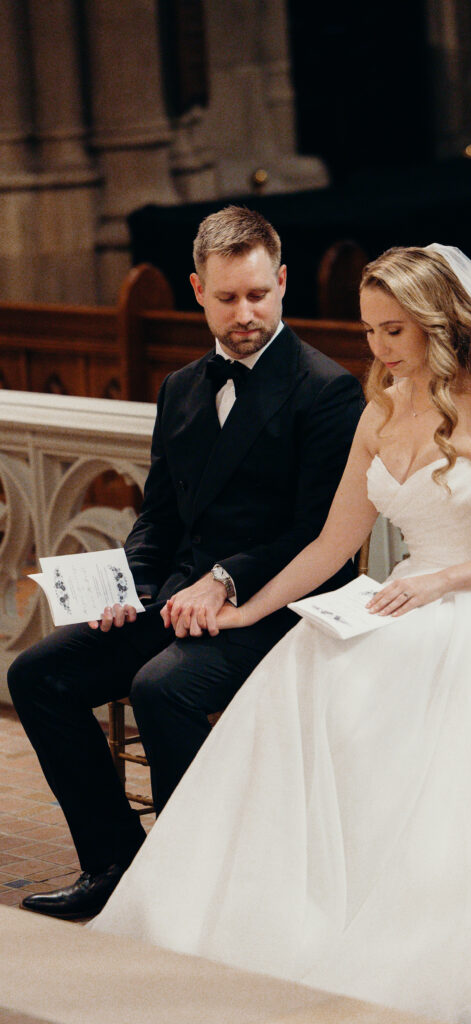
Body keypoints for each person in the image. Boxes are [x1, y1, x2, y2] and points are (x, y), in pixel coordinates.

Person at [91, 245, 471, 1023]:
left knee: (388, 699)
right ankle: (301, 899)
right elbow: (332, 544)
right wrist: (248, 610)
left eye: (395, 331)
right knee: (301, 672)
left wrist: (438, 581)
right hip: (402, 595)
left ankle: (419, 905)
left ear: (441, 323)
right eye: (369, 331)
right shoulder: (380, 406)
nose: (379, 349)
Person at [8, 206, 364, 921]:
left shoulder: (327, 390)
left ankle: (203, 883)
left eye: (258, 294)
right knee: (38, 674)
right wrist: (127, 585)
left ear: (283, 282)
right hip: (177, 595)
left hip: (276, 603)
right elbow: (160, 517)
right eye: (227, 297)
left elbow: (318, 536)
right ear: (197, 289)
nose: (244, 313)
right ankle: (115, 863)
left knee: (161, 689)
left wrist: (224, 579)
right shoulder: (179, 388)